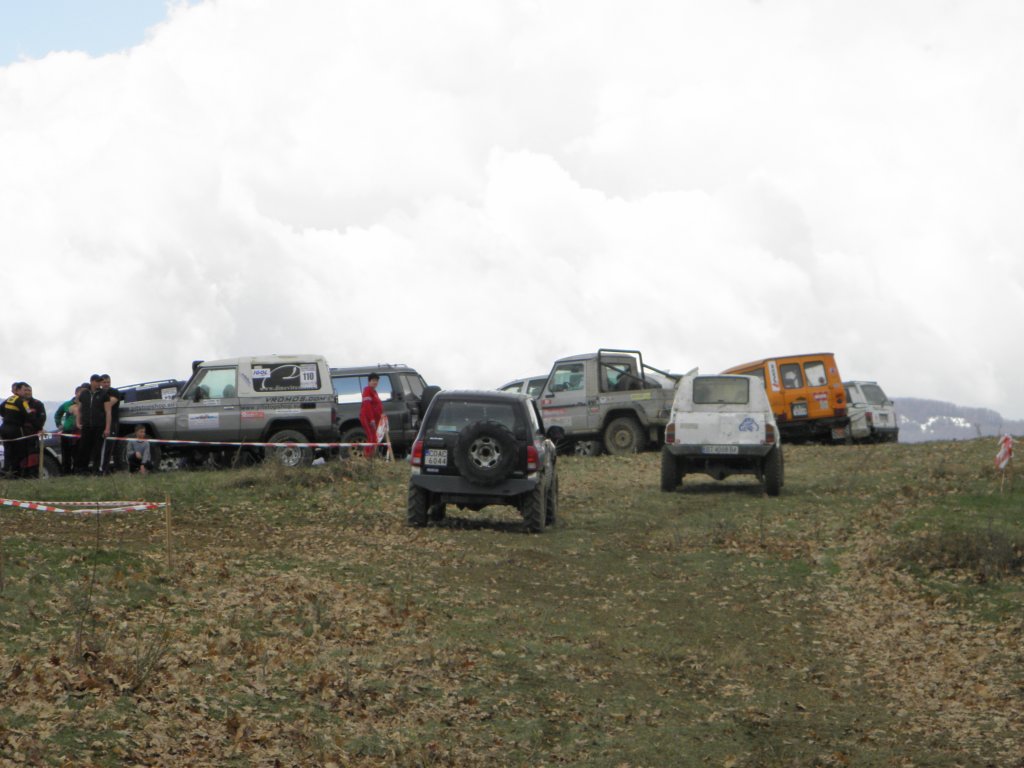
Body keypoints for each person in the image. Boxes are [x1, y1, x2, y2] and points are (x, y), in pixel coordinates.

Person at [76, 375, 106, 474]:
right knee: (84, 447)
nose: (99, 384)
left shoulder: (103, 394)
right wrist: (78, 422)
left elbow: (108, 411)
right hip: (86, 425)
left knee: (97, 448)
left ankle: (96, 469)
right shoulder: (84, 394)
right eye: (97, 381)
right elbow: (79, 409)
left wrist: (107, 427)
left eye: (100, 382)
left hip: (99, 425)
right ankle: (82, 469)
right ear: (92, 382)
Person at [1, 382, 31, 478]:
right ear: (18, 391)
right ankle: (16, 473)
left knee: (8, 451)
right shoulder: (22, 401)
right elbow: (29, 415)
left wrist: (7, 416)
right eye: (24, 390)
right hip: (15, 429)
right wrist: (39, 427)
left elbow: (1, 409)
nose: (25, 392)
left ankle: (5, 472)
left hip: (4, 428)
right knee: (18, 451)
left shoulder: (9, 399)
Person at [55, 384, 86, 475]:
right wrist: (59, 424)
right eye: (80, 393)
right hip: (67, 431)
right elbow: (57, 414)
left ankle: (77, 470)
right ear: (76, 393)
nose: (82, 395)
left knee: (77, 452)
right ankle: (66, 471)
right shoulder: (67, 404)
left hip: (79, 432)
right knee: (66, 453)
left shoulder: (85, 404)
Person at [98, 374, 122, 474]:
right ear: (100, 383)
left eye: (108, 382)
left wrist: (96, 404)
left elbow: (108, 405)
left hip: (112, 423)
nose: (106, 384)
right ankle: (99, 468)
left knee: (109, 447)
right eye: (104, 382)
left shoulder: (114, 392)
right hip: (99, 423)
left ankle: (105, 469)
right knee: (99, 447)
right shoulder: (98, 392)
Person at [359, 373, 384, 458]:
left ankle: (371, 456)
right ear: (369, 381)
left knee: (374, 438)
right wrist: (371, 419)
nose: (375, 382)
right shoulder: (367, 390)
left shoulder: (374, 392)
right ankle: (367, 456)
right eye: (373, 380)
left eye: (376, 381)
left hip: (375, 419)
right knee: (371, 438)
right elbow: (367, 406)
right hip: (367, 418)